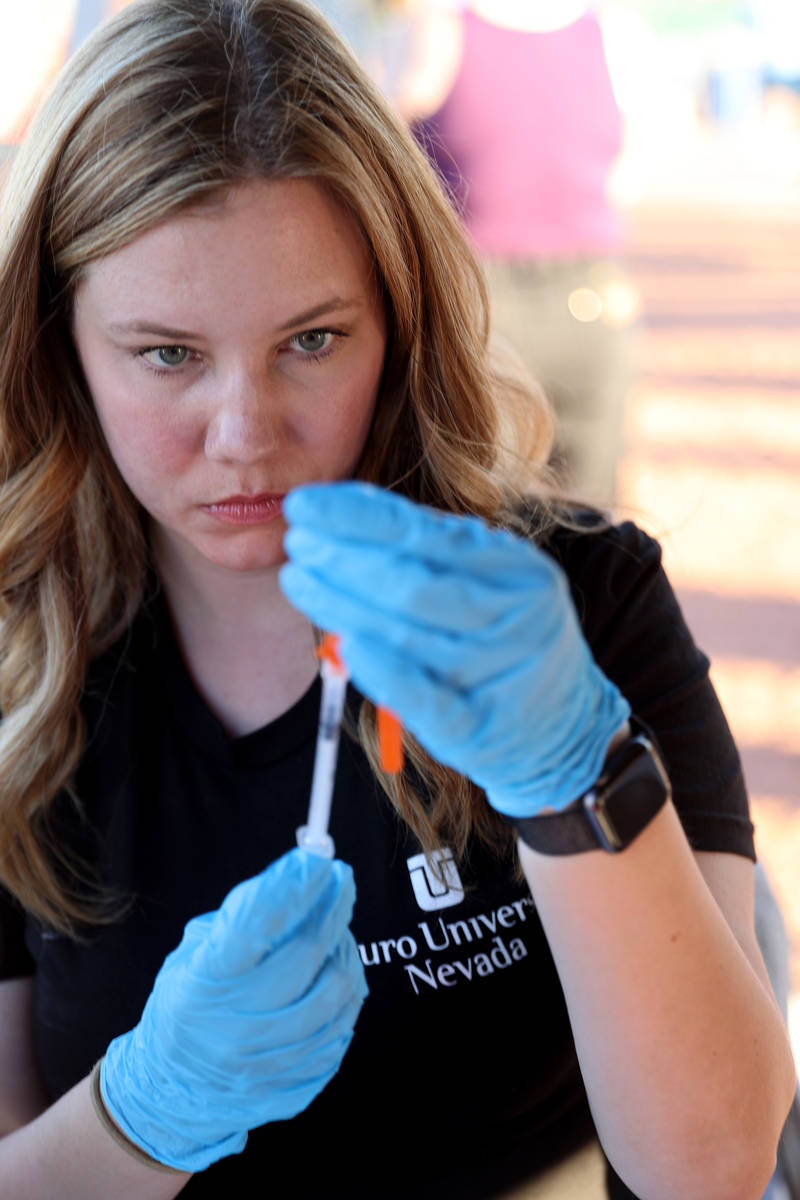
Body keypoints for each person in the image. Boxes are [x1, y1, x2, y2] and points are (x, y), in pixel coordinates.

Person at [0, 2, 794, 1199]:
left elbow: (714, 1165)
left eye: (311, 341)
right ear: (60, 344)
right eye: (166, 353)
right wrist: (140, 1116)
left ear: (399, 318)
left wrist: (572, 777)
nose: (243, 436)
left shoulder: (574, 604)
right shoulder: (19, 667)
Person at [403, 0, 633, 503]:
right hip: (573, 295)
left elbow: (387, 150)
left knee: (485, 510)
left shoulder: (440, 29)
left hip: (483, 299)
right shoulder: (608, 30)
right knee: (588, 520)